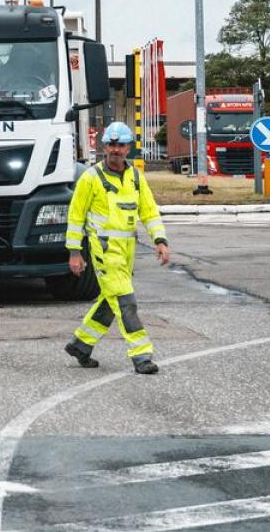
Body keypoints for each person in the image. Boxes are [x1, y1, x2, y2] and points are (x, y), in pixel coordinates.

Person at [64, 122, 169, 374]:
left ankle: (81, 344)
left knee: (110, 301)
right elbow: (75, 217)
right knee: (125, 302)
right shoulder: (90, 178)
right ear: (104, 147)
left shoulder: (135, 178)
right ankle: (141, 355)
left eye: (120, 145)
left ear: (128, 148)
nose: (115, 150)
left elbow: (149, 211)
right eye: (111, 145)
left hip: (127, 251)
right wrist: (74, 252)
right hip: (103, 251)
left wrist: (160, 240)